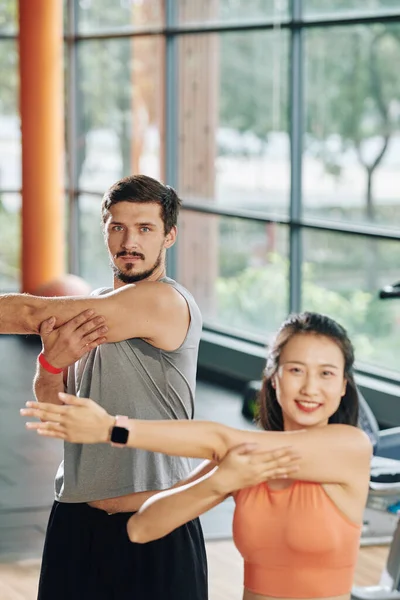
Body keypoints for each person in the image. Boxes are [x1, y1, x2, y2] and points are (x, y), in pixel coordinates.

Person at [1, 174, 296, 600]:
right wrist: (51, 363)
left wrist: (46, 333)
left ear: (169, 236)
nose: (129, 242)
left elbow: (29, 312)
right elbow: (56, 409)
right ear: (105, 231)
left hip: (155, 521)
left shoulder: (162, 302)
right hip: (76, 520)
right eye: (118, 227)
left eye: (145, 229)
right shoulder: (97, 307)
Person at [22, 312, 373, 600]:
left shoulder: (350, 447)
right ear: (274, 379)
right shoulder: (242, 460)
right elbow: (142, 528)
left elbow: (220, 438)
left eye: (327, 373)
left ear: (343, 385)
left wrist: (110, 428)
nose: (311, 387)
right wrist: (222, 481)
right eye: (296, 370)